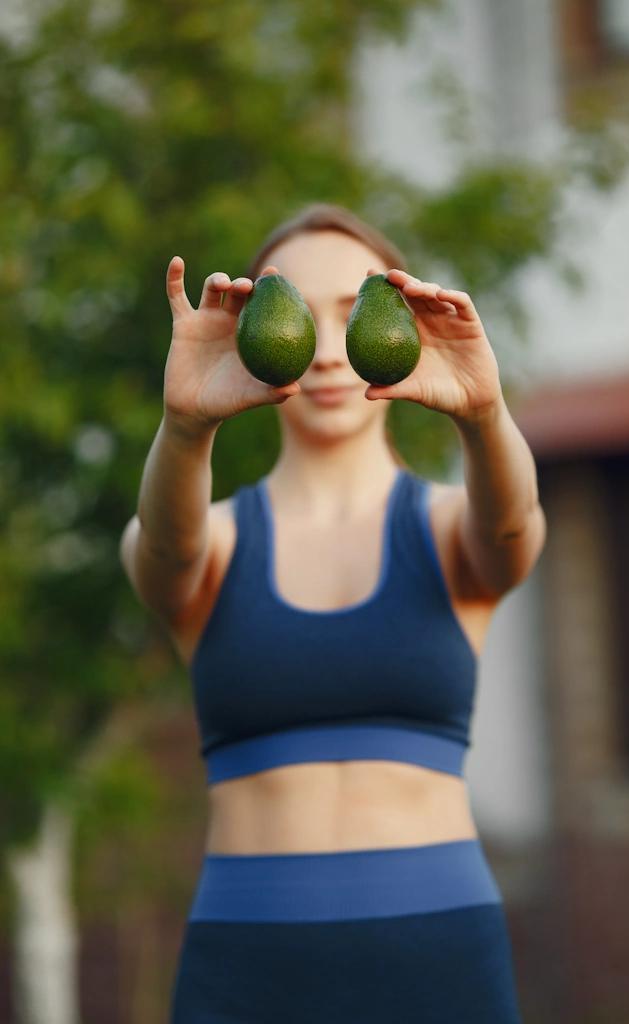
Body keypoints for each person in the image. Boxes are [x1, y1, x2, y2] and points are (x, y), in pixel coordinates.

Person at [120, 203, 546, 1023]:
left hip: (440, 966)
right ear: (253, 328)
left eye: (352, 317)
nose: (321, 351)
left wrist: (486, 419)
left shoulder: (449, 527)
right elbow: (162, 555)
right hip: (243, 973)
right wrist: (182, 429)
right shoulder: (209, 542)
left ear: (405, 323)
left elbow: (512, 530)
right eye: (297, 316)